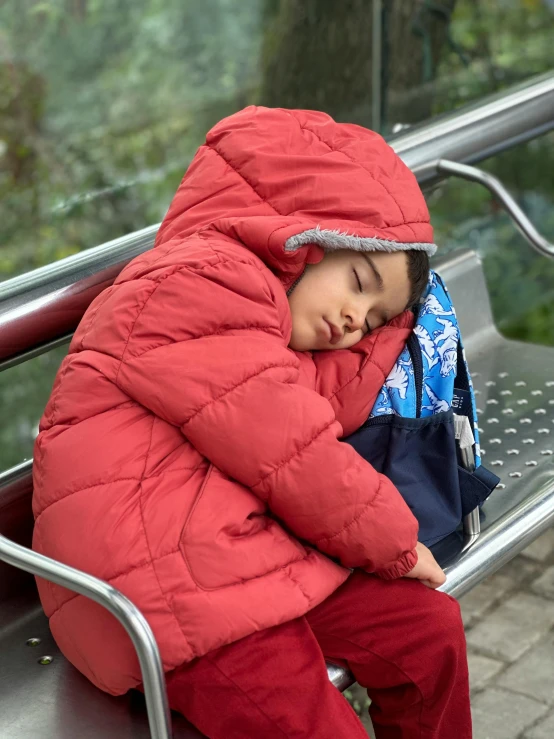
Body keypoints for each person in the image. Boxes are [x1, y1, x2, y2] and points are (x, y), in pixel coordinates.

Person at [32, 107, 471, 738]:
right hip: (161, 597)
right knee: (311, 721)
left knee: (428, 634)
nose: (355, 321)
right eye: (358, 282)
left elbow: (313, 410)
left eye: (374, 321)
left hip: (234, 561)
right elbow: (297, 453)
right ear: (303, 237)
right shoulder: (198, 281)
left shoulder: (273, 325)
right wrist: (397, 548)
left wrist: (394, 332)